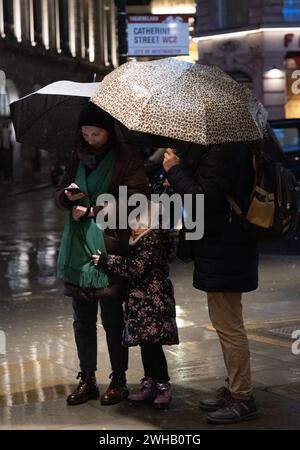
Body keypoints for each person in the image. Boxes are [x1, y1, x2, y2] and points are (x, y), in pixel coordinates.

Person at [54, 102, 149, 406]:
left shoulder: (126, 157)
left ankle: (118, 380)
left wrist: (94, 209)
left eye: (96, 133)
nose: (91, 139)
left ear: (108, 132)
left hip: (110, 246)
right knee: (82, 320)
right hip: (76, 247)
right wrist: (68, 198)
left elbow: (138, 200)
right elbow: (59, 194)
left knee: (112, 319)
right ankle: (87, 378)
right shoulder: (75, 155)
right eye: (86, 133)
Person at [163, 144, 259, 424]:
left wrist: (176, 170)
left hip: (226, 247)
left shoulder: (225, 150)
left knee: (229, 326)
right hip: (223, 246)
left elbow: (202, 198)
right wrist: (181, 173)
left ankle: (242, 397)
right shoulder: (224, 147)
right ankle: (234, 387)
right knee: (224, 322)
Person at [92, 204, 179, 410]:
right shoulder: (140, 240)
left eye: (140, 221)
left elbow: (136, 267)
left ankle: (162, 385)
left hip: (153, 302)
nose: (134, 225)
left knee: (154, 347)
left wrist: (107, 260)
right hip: (141, 304)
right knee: (146, 345)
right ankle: (149, 382)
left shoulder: (153, 240)